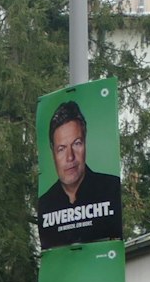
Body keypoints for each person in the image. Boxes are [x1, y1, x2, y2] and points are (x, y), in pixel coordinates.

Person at [37, 99, 123, 250]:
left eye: (77, 143)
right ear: (52, 151)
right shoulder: (45, 204)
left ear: (85, 142)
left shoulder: (111, 189)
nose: (70, 157)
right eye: (61, 149)